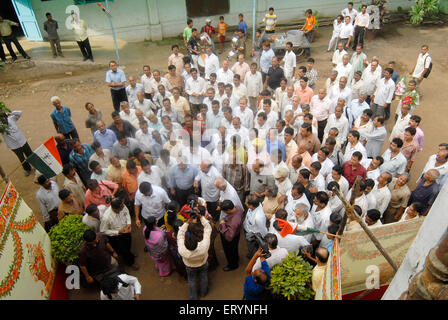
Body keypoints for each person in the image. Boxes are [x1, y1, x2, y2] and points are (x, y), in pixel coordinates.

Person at [177, 214, 212, 300]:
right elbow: (208, 228)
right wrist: (201, 217)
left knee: (191, 280)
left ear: (186, 245)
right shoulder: (203, 246)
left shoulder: (182, 250)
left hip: (190, 266)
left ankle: (193, 297)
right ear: (197, 242)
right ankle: (203, 293)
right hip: (203, 263)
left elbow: (180, 234)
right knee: (204, 277)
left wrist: (187, 223)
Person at [100, 198, 139, 270]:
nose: (123, 207)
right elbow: (103, 231)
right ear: (115, 209)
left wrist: (128, 224)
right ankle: (130, 262)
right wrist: (118, 232)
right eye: (121, 208)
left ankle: (130, 254)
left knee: (128, 244)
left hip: (126, 232)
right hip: (117, 237)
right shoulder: (106, 217)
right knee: (123, 250)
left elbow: (127, 214)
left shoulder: (122, 206)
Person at [0, 110, 33, 176]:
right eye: (2, 120)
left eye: (5, 119)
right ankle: (28, 169)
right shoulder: (1, 127)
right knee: (21, 158)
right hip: (14, 146)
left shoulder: (11, 119)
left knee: (30, 154)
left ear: (7, 117)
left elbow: (20, 113)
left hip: (23, 142)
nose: (4, 121)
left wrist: (10, 113)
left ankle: (38, 166)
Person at [218, 200, 244, 271]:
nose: (225, 213)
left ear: (229, 210)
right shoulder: (238, 208)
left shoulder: (234, 221)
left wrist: (222, 224)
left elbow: (229, 237)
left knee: (229, 251)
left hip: (231, 237)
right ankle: (236, 259)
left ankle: (233, 265)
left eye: (225, 211)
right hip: (236, 233)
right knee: (234, 249)